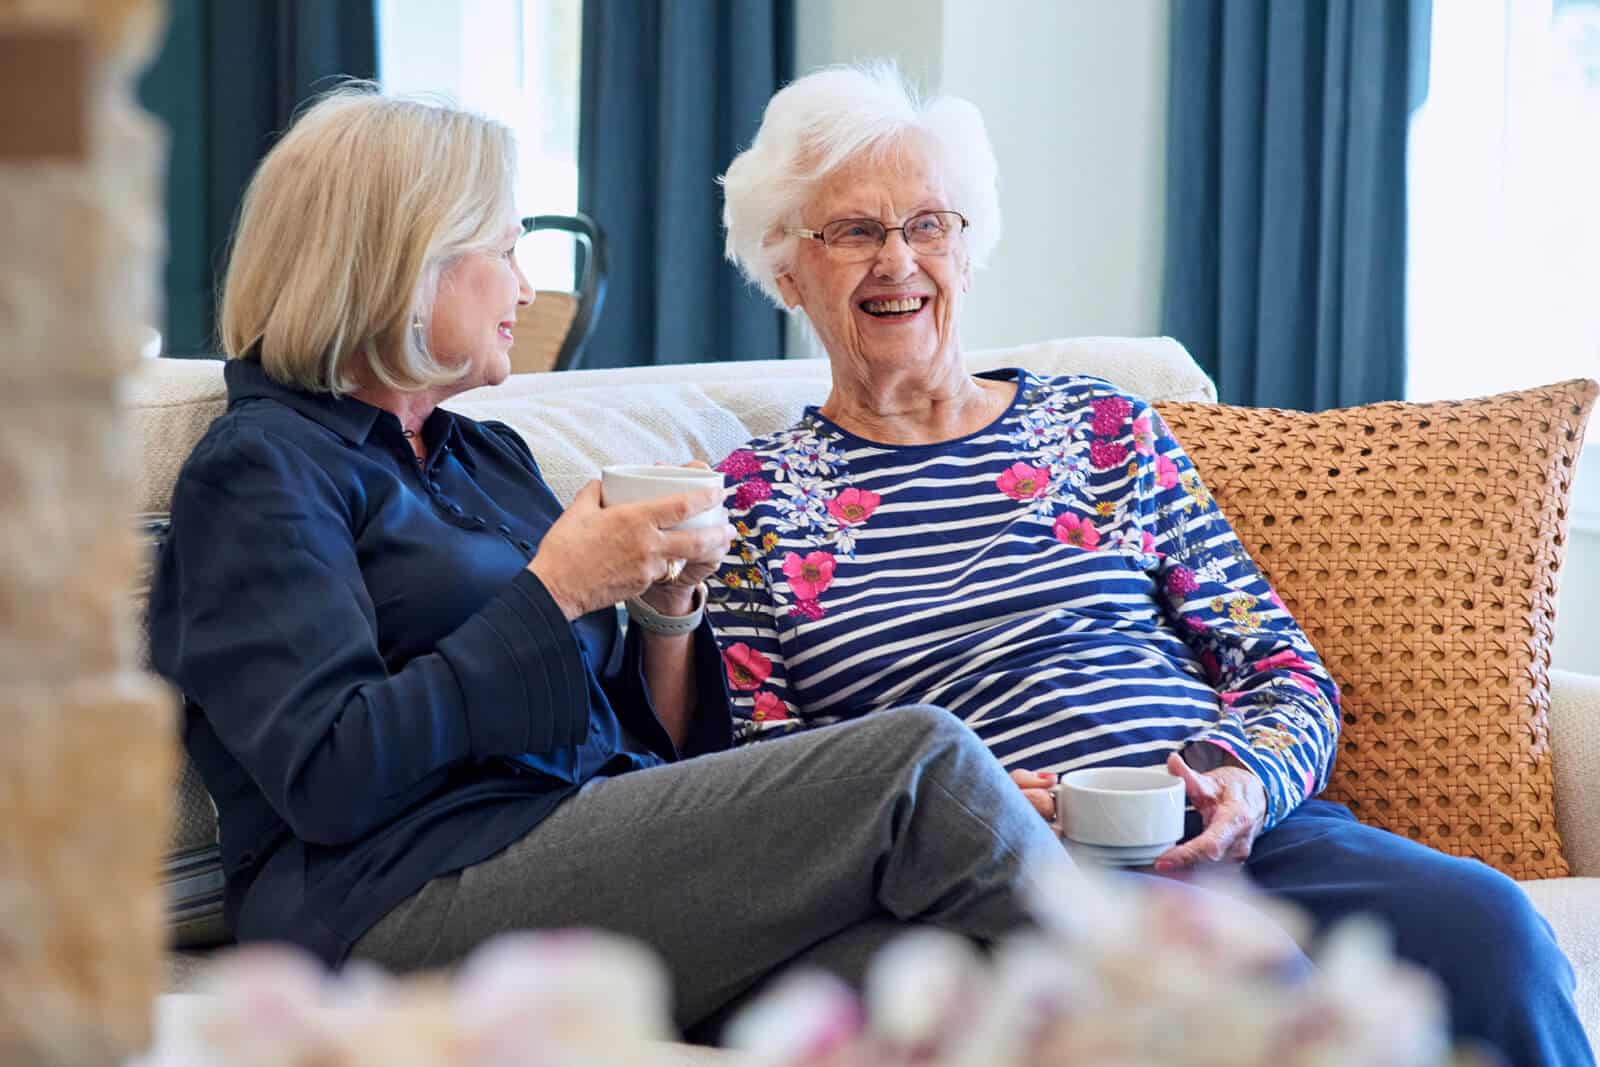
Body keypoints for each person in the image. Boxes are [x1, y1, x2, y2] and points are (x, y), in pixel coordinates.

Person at [709, 63, 1591, 1066]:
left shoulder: (1100, 427)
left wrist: (1241, 779)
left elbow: (1280, 668)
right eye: (855, 231)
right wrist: (960, 811)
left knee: (1489, 928)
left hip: (1228, 828)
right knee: (1250, 986)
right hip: (1007, 874)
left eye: (927, 224)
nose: (897, 259)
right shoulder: (748, 502)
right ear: (786, 268)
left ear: (967, 244)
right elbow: (766, 773)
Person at [144, 87, 1071, 1033]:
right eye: (505, 251)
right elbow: (331, 773)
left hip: (577, 850)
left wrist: (666, 608)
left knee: (925, 969)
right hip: (388, 901)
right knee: (922, 759)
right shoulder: (262, 469)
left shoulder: (481, 457)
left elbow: (641, 749)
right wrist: (560, 591)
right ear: (405, 262)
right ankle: (1176, 999)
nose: (527, 289)